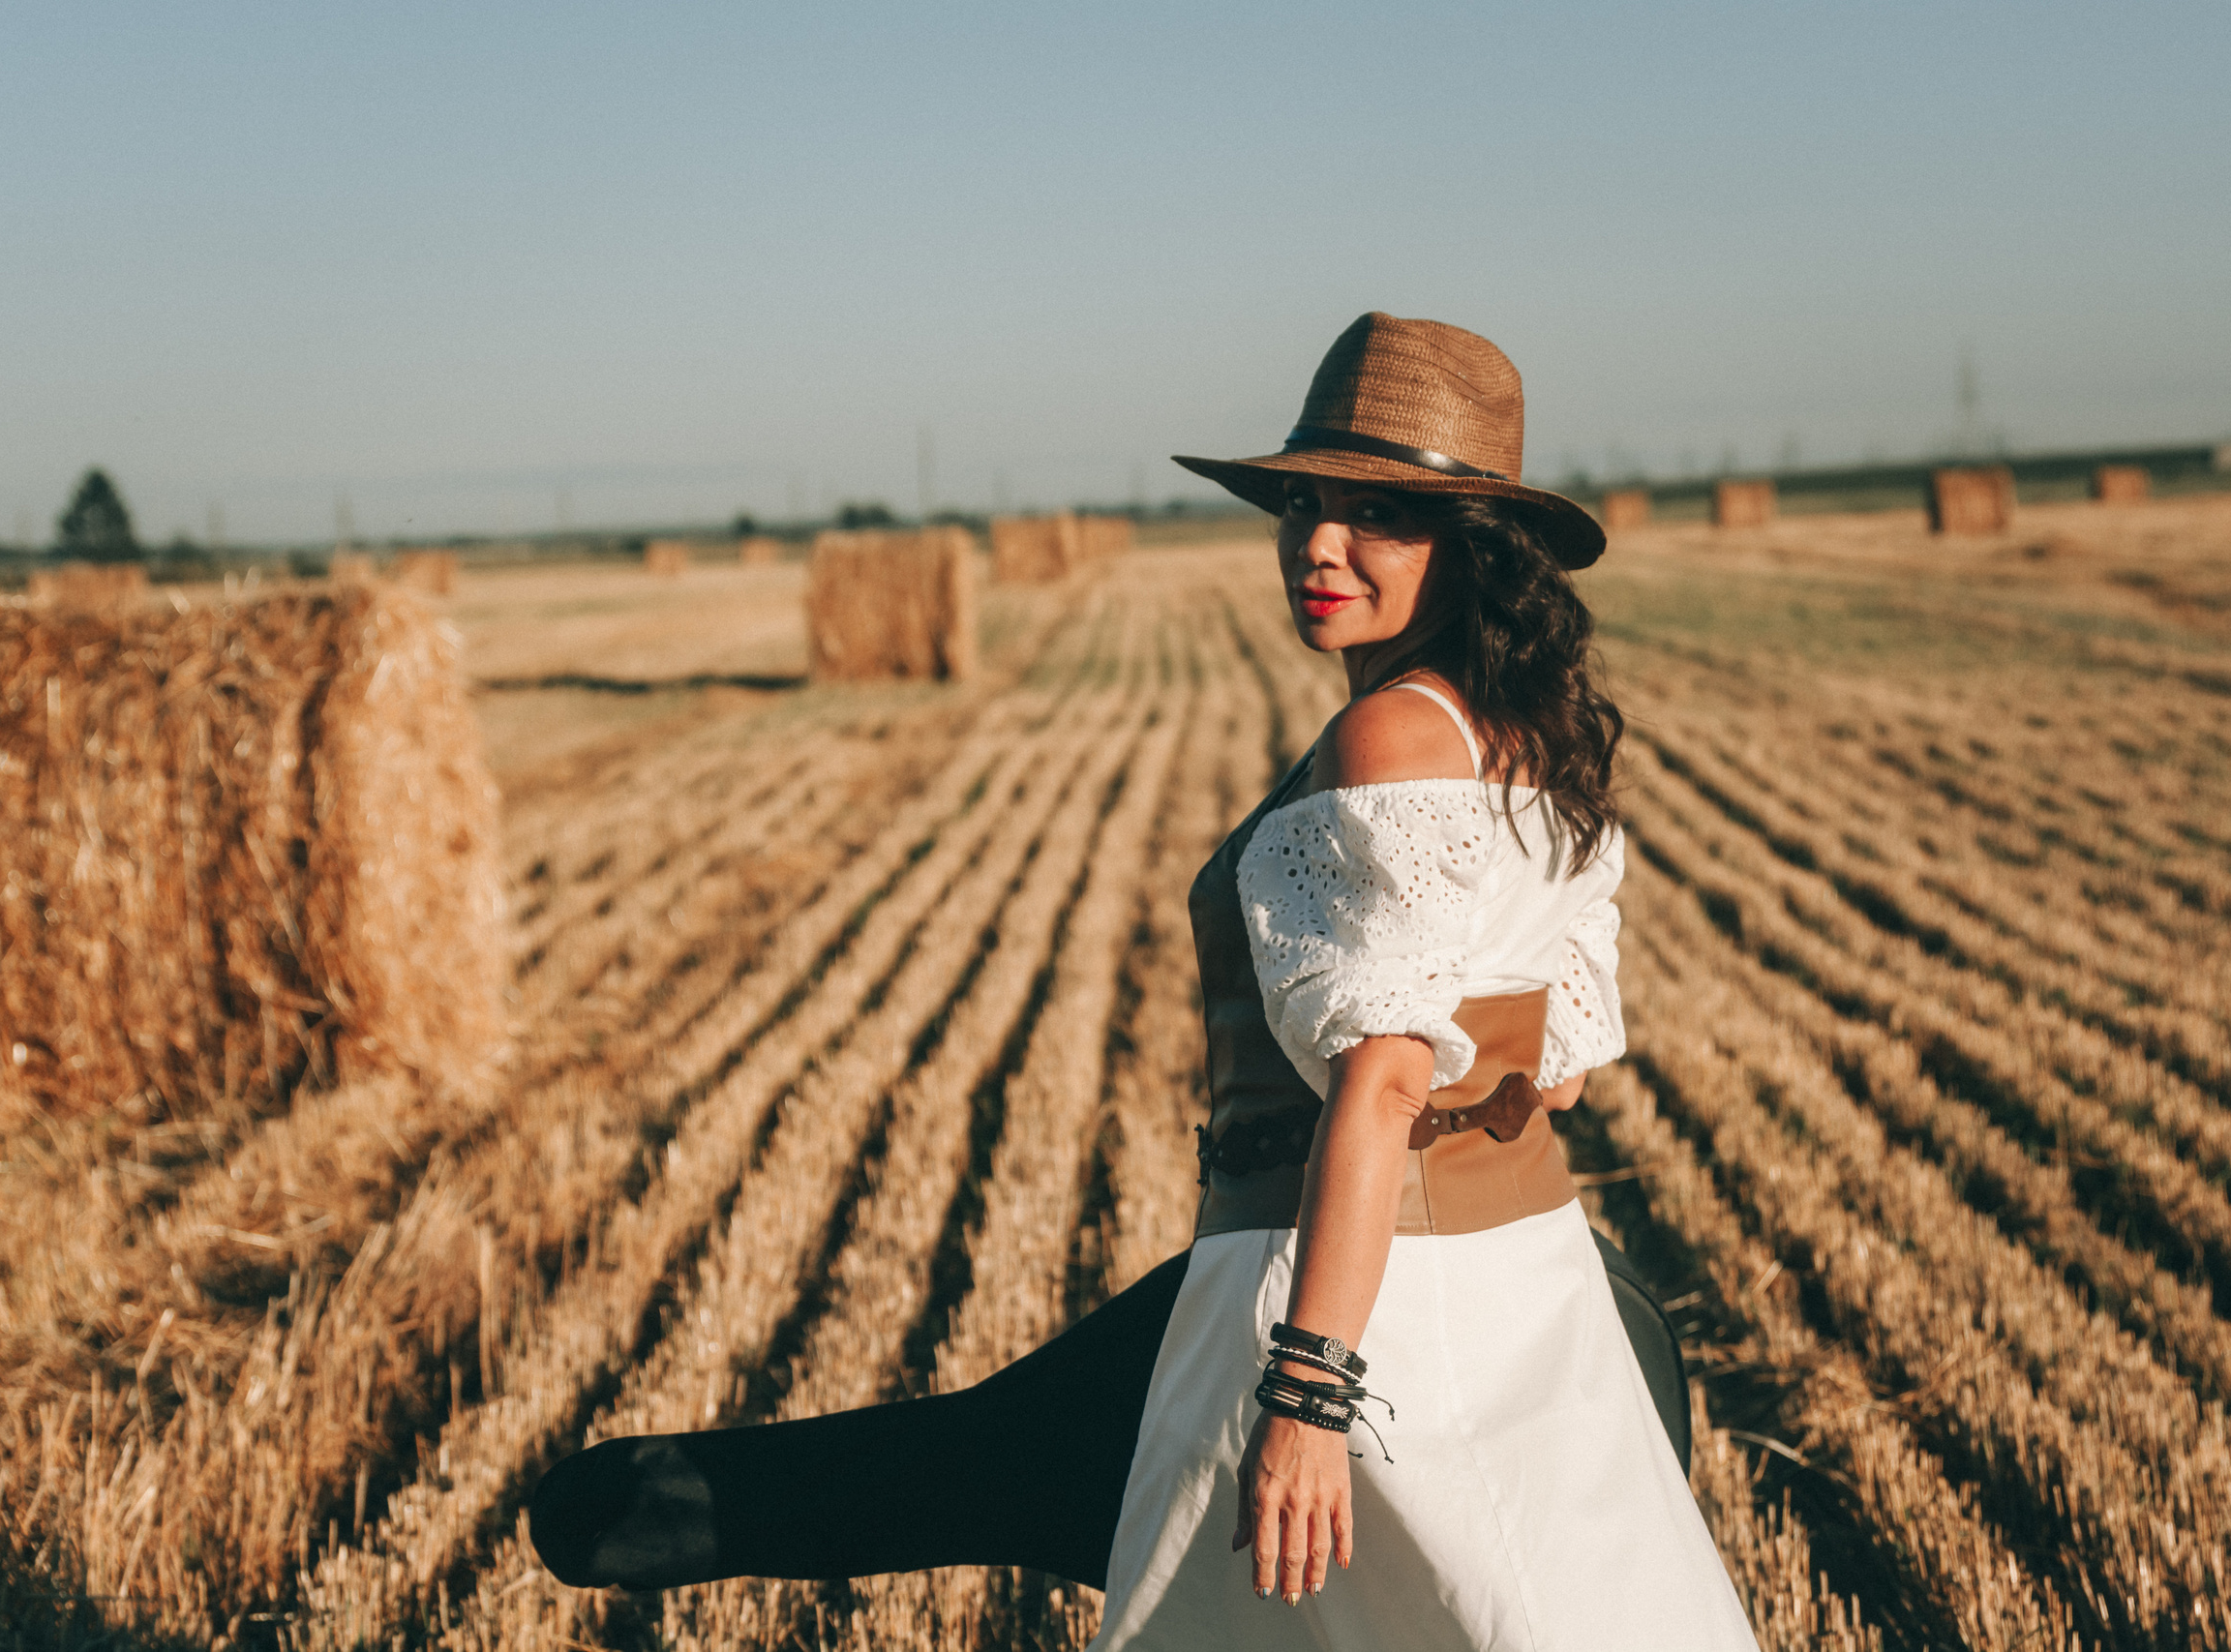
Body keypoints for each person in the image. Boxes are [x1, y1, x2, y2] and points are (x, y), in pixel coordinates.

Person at [528, 314, 1756, 1650]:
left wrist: (1311, 1392)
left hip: (1349, 1303)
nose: (1319, 547)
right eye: (1302, 504)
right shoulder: (1526, 742)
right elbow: (1555, 1069)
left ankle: (692, 1506)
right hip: (1524, 1287)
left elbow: (1389, 1078)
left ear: (1470, 545)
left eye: (1378, 518)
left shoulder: (1390, 736)